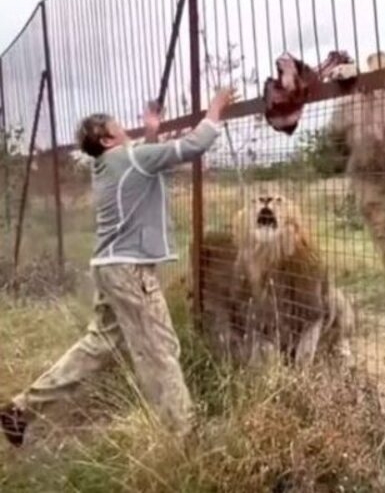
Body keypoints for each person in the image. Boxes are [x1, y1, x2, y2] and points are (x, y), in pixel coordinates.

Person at [0, 87, 238, 447]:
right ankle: (185, 436)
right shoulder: (129, 157)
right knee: (160, 349)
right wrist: (216, 109)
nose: (126, 128)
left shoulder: (108, 164)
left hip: (110, 267)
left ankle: (21, 409)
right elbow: (192, 146)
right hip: (130, 272)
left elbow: (145, 171)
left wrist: (152, 129)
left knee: (98, 345)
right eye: (119, 125)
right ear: (107, 136)